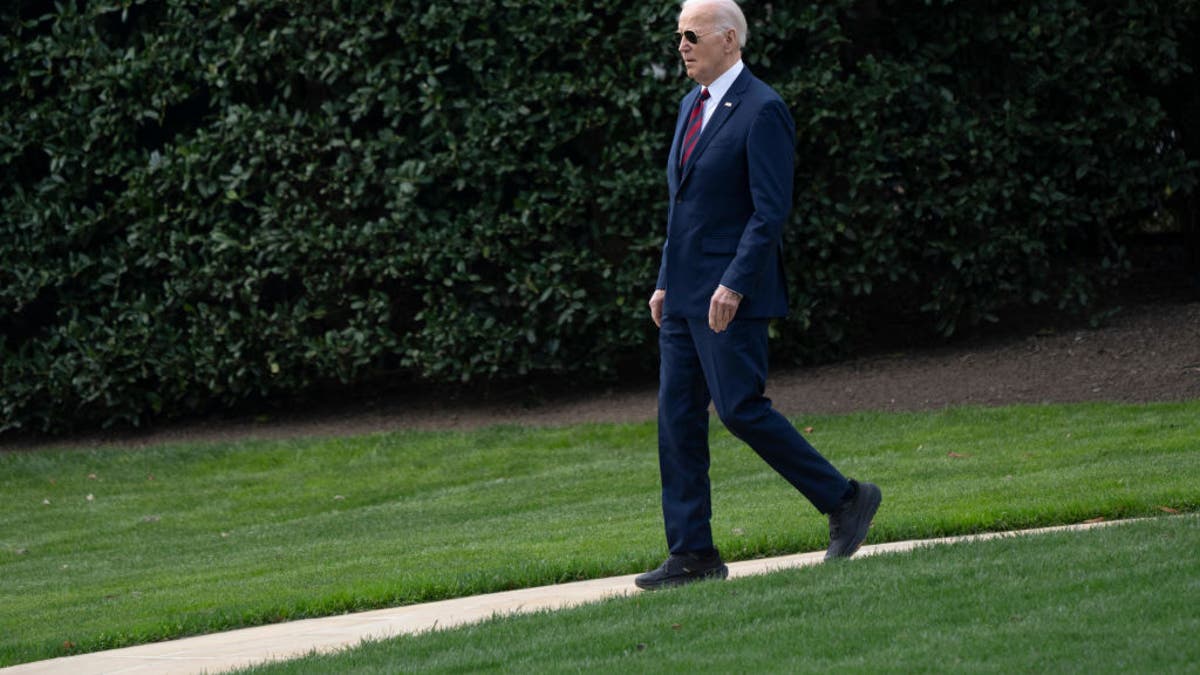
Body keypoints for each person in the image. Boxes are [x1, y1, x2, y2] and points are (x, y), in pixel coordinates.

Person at [636, 0, 882, 590]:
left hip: (730, 297)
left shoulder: (764, 109)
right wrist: (666, 279)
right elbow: (683, 207)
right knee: (676, 422)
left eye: (691, 35)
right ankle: (693, 554)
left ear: (729, 39)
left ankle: (847, 499)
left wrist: (734, 282)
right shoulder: (688, 107)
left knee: (742, 410)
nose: (682, 46)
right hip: (684, 297)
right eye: (678, 35)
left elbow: (769, 212)